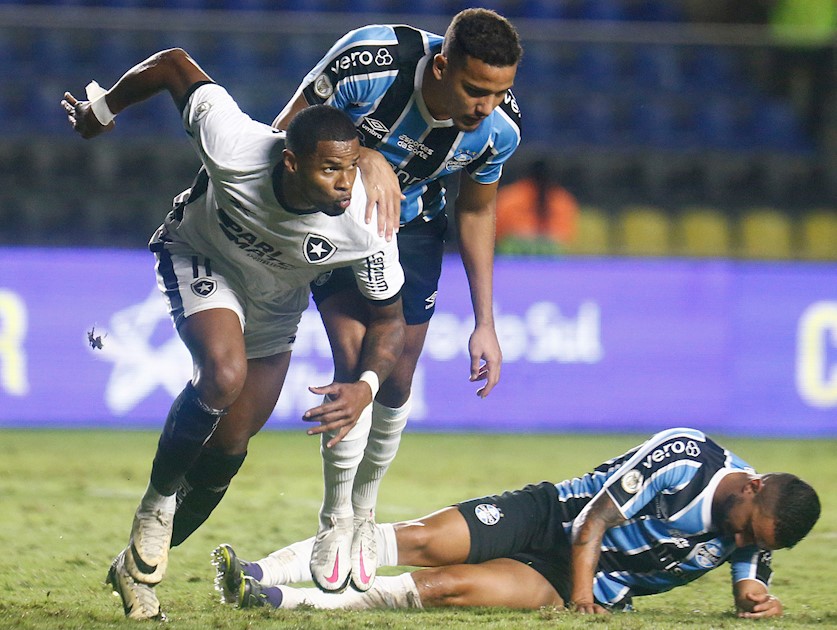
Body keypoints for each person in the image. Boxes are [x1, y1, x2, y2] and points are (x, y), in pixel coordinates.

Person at [61, 48, 406, 620]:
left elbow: (389, 321)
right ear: (291, 163)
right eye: (330, 170)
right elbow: (173, 65)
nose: (346, 184)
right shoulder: (235, 144)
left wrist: (367, 384)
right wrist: (103, 108)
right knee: (222, 376)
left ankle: (135, 565)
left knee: (231, 443)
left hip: (276, 304)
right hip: (199, 257)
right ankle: (155, 505)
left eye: (351, 167)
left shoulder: (367, 223)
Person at [270, 8, 523, 593]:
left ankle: (364, 509)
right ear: (441, 65)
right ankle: (334, 518)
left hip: (411, 230)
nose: (485, 105)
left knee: (398, 379)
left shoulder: (500, 129)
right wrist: (366, 156)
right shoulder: (369, 61)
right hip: (332, 221)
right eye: (474, 89)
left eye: (499, 92)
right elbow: (288, 130)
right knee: (356, 357)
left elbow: (478, 208)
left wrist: (485, 321)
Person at [213, 427, 820, 618]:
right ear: (753, 486)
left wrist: (753, 592)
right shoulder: (686, 456)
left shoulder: (757, 523)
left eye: (752, 542)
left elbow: (752, 566)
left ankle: (281, 602)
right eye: (745, 526)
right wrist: (583, 602)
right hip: (553, 516)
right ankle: (258, 568)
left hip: (590, 581)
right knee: (424, 541)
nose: (737, 540)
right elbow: (591, 525)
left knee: (448, 588)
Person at [494, 157, 579, 255]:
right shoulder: (510, 199)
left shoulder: (562, 202)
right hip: (512, 261)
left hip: (553, 264)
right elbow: (497, 237)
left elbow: (565, 239)